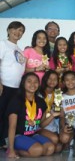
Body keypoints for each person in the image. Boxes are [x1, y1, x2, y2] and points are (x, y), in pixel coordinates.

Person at [6, 72, 55, 158]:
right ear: (23, 83)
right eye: (29, 81)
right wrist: (11, 149)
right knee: (38, 150)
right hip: (18, 136)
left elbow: (41, 124)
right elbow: (12, 126)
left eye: (35, 82)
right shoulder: (16, 101)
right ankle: (15, 150)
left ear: (39, 84)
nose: (33, 84)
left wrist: (53, 115)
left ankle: (34, 149)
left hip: (33, 134)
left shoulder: (40, 101)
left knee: (50, 148)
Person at [0, 21, 26, 149]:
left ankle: (4, 142)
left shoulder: (20, 51)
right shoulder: (2, 44)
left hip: (16, 89)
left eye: (21, 30)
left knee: (8, 115)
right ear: (9, 30)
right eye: (15, 29)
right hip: (4, 86)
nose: (18, 32)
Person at [39, 70, 62, 153]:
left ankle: (45, 146)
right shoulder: (39, 94)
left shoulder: (57, 94)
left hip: (52, 125)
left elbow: (58, 112)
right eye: (50, 78)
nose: (52, 81)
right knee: (55, 139)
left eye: (55, 79)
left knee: (58, 147)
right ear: (45, 79)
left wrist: (58, 109)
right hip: (39, 126)